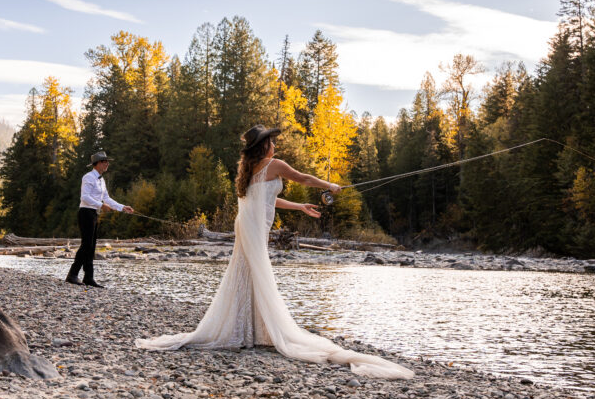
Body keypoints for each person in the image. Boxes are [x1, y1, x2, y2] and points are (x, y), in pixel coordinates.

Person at [136, 125, 414, 379]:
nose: (274, 144)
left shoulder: (250, 169)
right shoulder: (273, 164)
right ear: (264, 145)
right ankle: (257, 331)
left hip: (248, 226)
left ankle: (248, 331)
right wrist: (329, 186)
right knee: (255, 273)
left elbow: (270, 198)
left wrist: (300, 207)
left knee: (247, 273)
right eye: (271, 140)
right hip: (253, 228)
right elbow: (302, 177)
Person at [66, 150, 134, 288]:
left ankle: (88, 277)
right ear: (96, 164)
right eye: (104, 162)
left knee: (91, 246)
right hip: (85, 213)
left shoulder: (101, 180)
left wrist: (122, 207)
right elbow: (84, 197)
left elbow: (107, 198)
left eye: (107, 162)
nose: (107, 164)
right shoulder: (88, 177)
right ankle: (72, 275)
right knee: (86, 245)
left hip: (94, 214)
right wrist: (101, 205)